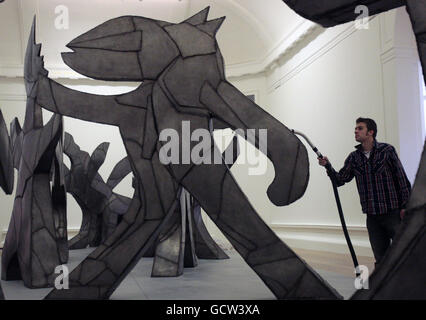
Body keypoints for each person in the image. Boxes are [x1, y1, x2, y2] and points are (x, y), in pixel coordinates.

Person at [318, 117, 411, 267]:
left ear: (371, 132)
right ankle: (384, 290)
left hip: (392, 213)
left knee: (403, 254)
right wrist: (327, 166)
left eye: (360, 128)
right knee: (381, 259)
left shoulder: (387, 151)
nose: (356, 130)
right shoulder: (354, 158)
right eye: (355, 128)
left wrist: (406, 206)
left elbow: (401, 179)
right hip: (372, 217)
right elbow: (340, 180)